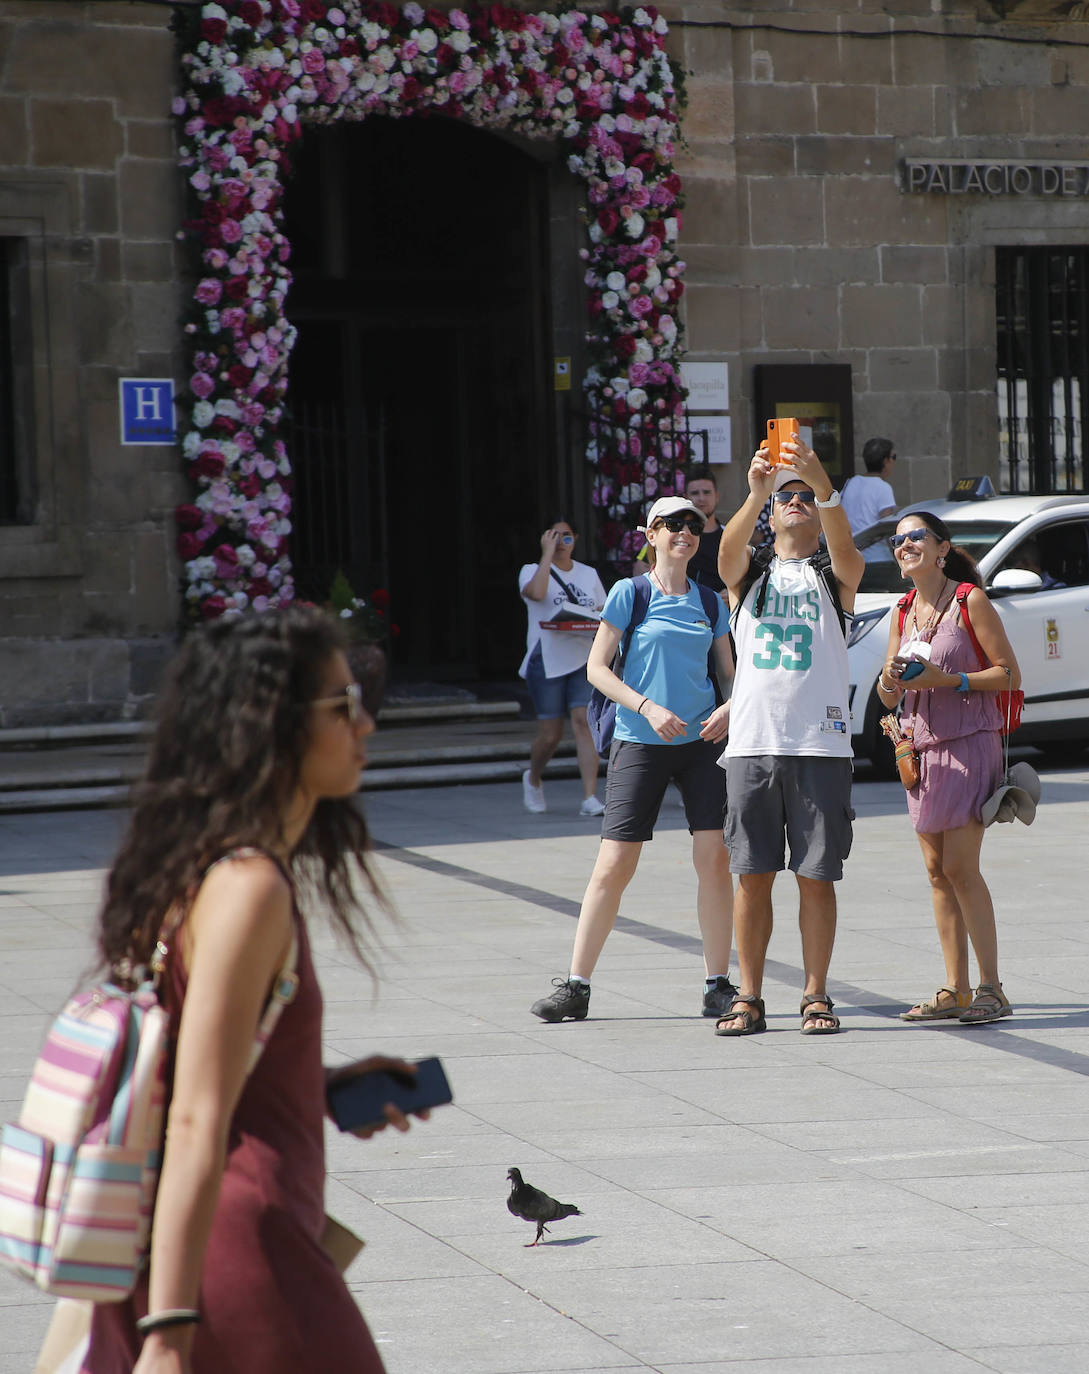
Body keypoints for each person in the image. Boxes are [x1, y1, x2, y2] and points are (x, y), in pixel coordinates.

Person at [85, 607, 427, 1374]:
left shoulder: (210, 866)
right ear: (271, 728)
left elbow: (201, 1071)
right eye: (342, 706)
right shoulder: (248, 886)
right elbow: (196, 1117)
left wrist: (319, 1085)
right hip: (236, 1249)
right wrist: (170, 1333)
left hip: (212, 1245)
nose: (365, 724)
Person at [529, 495, 736, 1024]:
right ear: (651, 534)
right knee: (614, 864)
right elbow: (598, 669)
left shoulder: (711, 601)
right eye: (671, 525)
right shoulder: (630, 592)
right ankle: (576, 985)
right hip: (639, 740)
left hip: (702, 744)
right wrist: (647, 706)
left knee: (714, 860)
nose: (684, 533)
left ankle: (717, 983)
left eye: (692, 524)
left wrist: (731, 710)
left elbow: (730, 675)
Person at [714, 442, 865, 1036]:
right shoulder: (751, 574)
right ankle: (748, 995)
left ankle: (815, 994)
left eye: (804, 499)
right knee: (751, 876)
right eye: (788, 498)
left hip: (821, 744)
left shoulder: (833, 574)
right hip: (754, 741)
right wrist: (755, 491)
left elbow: (850, 553)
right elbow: (726, 554)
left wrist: (818, 480)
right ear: (772, 515)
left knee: (817, 875)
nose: (797, 503)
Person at [877, 511, 1021, 1025]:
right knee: (937, 873)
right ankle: (954, 989)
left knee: (961, 868)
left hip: (967, 744)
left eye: (916, 536)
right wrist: (890, 682)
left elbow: (1008, 674)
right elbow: (888, 690)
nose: (905, 544)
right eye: (898, 540)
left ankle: (992, 988)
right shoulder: (902, 609)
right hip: (918, 750)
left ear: (942, 549)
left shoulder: (968, 600)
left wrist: (949, 680)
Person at [518, 517, 607, 816]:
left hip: (582, 655)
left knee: (583, 721)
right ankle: (532, 776)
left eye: (566, 537)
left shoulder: (588, 573)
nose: (561, 543)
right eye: (554, 536)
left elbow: (603, 610)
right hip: (547, 657)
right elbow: (537, 594)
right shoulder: (531, 571)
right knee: (551, 735)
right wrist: (546, 555)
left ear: (576, 539)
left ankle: (590, 797)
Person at [841, 437, 898, 558]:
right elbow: (888, 526)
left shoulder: (850, 483)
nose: (894, 462)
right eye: (893, 457)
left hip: (854, 559)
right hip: (878, 558)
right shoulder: (883, 487)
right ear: (885, 460)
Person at [682, 465, 726, 592]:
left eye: (706, 492)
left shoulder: (729, 537)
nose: (701, 498)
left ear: (717, 496)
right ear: (686, 497)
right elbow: (642, 565)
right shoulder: (672, 534)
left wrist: (733, 592)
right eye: (695, 493)